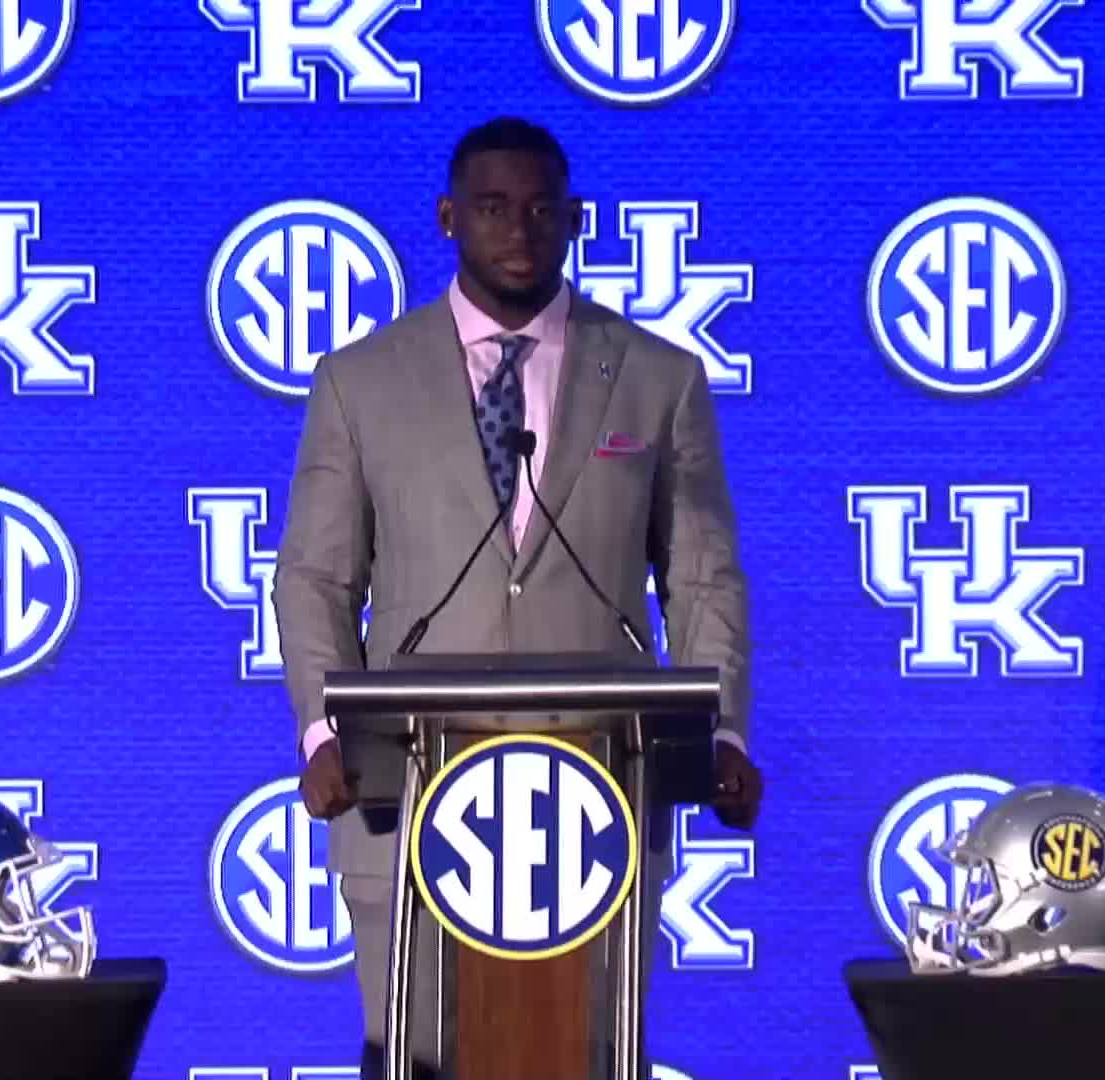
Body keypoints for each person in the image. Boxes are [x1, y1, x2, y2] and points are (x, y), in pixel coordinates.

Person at [270, 116, 763, 1078]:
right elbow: (316, 578)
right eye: (492, 208)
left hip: (598, 789)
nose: (519, 231)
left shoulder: (660, 379)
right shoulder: (360, 382)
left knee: (586, 1050)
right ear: (448, 218)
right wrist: (324, 735)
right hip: (407, 789)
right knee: (415, 1053)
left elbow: (703, 574)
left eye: (543, 210)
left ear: (575, 220)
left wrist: (723, 734)